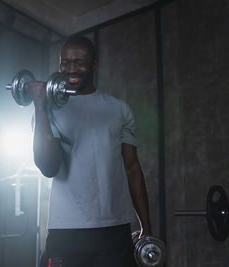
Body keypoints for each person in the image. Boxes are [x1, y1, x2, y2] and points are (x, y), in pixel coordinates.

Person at [25, 35, 152, 267]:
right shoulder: (48, 111)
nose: (71, 68)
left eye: (80, 62)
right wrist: (40, 106)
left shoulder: (119, 109)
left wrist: (146, 225)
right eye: (65, 62)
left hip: (114, 229)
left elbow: (132, 167)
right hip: (67, 229)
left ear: (95, 64)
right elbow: (48, 166)